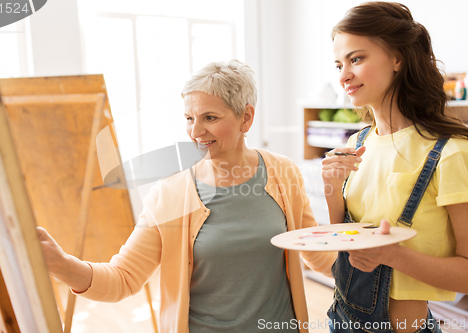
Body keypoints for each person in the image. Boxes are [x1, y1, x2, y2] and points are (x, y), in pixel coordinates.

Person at [38, 59, 337, 333]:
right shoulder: (169, 194)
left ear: (246, 118)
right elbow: (123, 278)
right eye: (189, 118)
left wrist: (371, 259)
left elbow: (317, 252)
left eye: (209, 117)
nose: (195, 131)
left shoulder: (283, 172)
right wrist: (61, 264)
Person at [322, 2, 468, 333]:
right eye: (338, 64)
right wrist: (332, 187)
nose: (344, 75)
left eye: (356, 59)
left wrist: (394, 256)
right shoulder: (359, 143)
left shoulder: (450, 152)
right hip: (341, 321)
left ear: (397, 58)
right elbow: (342, 244)